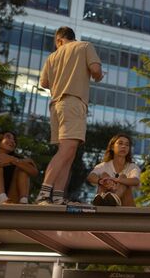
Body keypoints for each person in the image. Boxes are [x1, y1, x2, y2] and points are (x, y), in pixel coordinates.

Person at [37, 26, 103, 205]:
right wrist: (98, 76)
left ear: (59, 40)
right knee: (67, 151)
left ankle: (57, 196)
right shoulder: (84, 46)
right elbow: (95, 69)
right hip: (73, 102)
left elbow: (44, 83)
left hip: (56, 105)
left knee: (67, 152)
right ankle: (44, 194)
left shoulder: (52, 57)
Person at [86, 134, 141, 207]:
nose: (124, 146)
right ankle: (104, 200)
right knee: (104, 176)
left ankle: (113, 199)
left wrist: (116, 180)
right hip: (105, 204)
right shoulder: (104, 165)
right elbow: (91, 176)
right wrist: (101, 181)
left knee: (123, 177)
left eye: (127, 145)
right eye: (120, 143)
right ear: (112, 147)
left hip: (126, 207)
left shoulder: (133, 167)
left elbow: (136, 180)